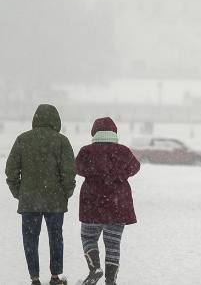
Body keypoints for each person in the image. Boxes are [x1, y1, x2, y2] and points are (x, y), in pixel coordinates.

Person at [6, 104, 77, 285]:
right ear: (56, 120)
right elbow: (69, 173)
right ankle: (55, 277)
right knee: (56, 238)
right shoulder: (61, 141)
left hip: (29, 201)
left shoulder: (22, 139)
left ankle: (34, 278)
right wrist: (65, 193)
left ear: (35, 119)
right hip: (55, 201)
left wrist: (20, 193)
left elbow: (11, 170)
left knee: (30, 240)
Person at [75, 117, 140, 285]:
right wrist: (119, 174)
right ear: (114, 132)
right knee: (113, 244)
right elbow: (135, 166)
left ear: (94, 132)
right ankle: (110, 280)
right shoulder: (123, 151)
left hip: (92, 203)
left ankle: (94, 269)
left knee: (88, 238)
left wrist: (94, 172)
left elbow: (77, 168)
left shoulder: (86, 151)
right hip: (118, 204)